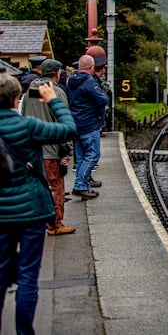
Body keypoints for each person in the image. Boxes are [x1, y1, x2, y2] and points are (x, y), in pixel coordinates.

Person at [0, 72, 77, 335]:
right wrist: (54, 101)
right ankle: (24, 332)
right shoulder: (28, 126)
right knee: (28, 276)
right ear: (17, 98)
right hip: (31, 210)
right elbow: (68, 128)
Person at [21, 59, 75, 236]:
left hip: (32, 150)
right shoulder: (56, 92)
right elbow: (63, 122)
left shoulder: (30, 92)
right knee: (55, 186)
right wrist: (67, 150)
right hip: (52, 149)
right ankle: (55, 224)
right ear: (57, 73)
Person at [67, 55, 108, 200]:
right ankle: (79, 185)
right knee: (92, 155)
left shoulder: (71, 81)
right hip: (89, 124)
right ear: (91, 67)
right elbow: (102, 99)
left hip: (76, 123)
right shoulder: (89, 82)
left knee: (81, 157)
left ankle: (85, 187)